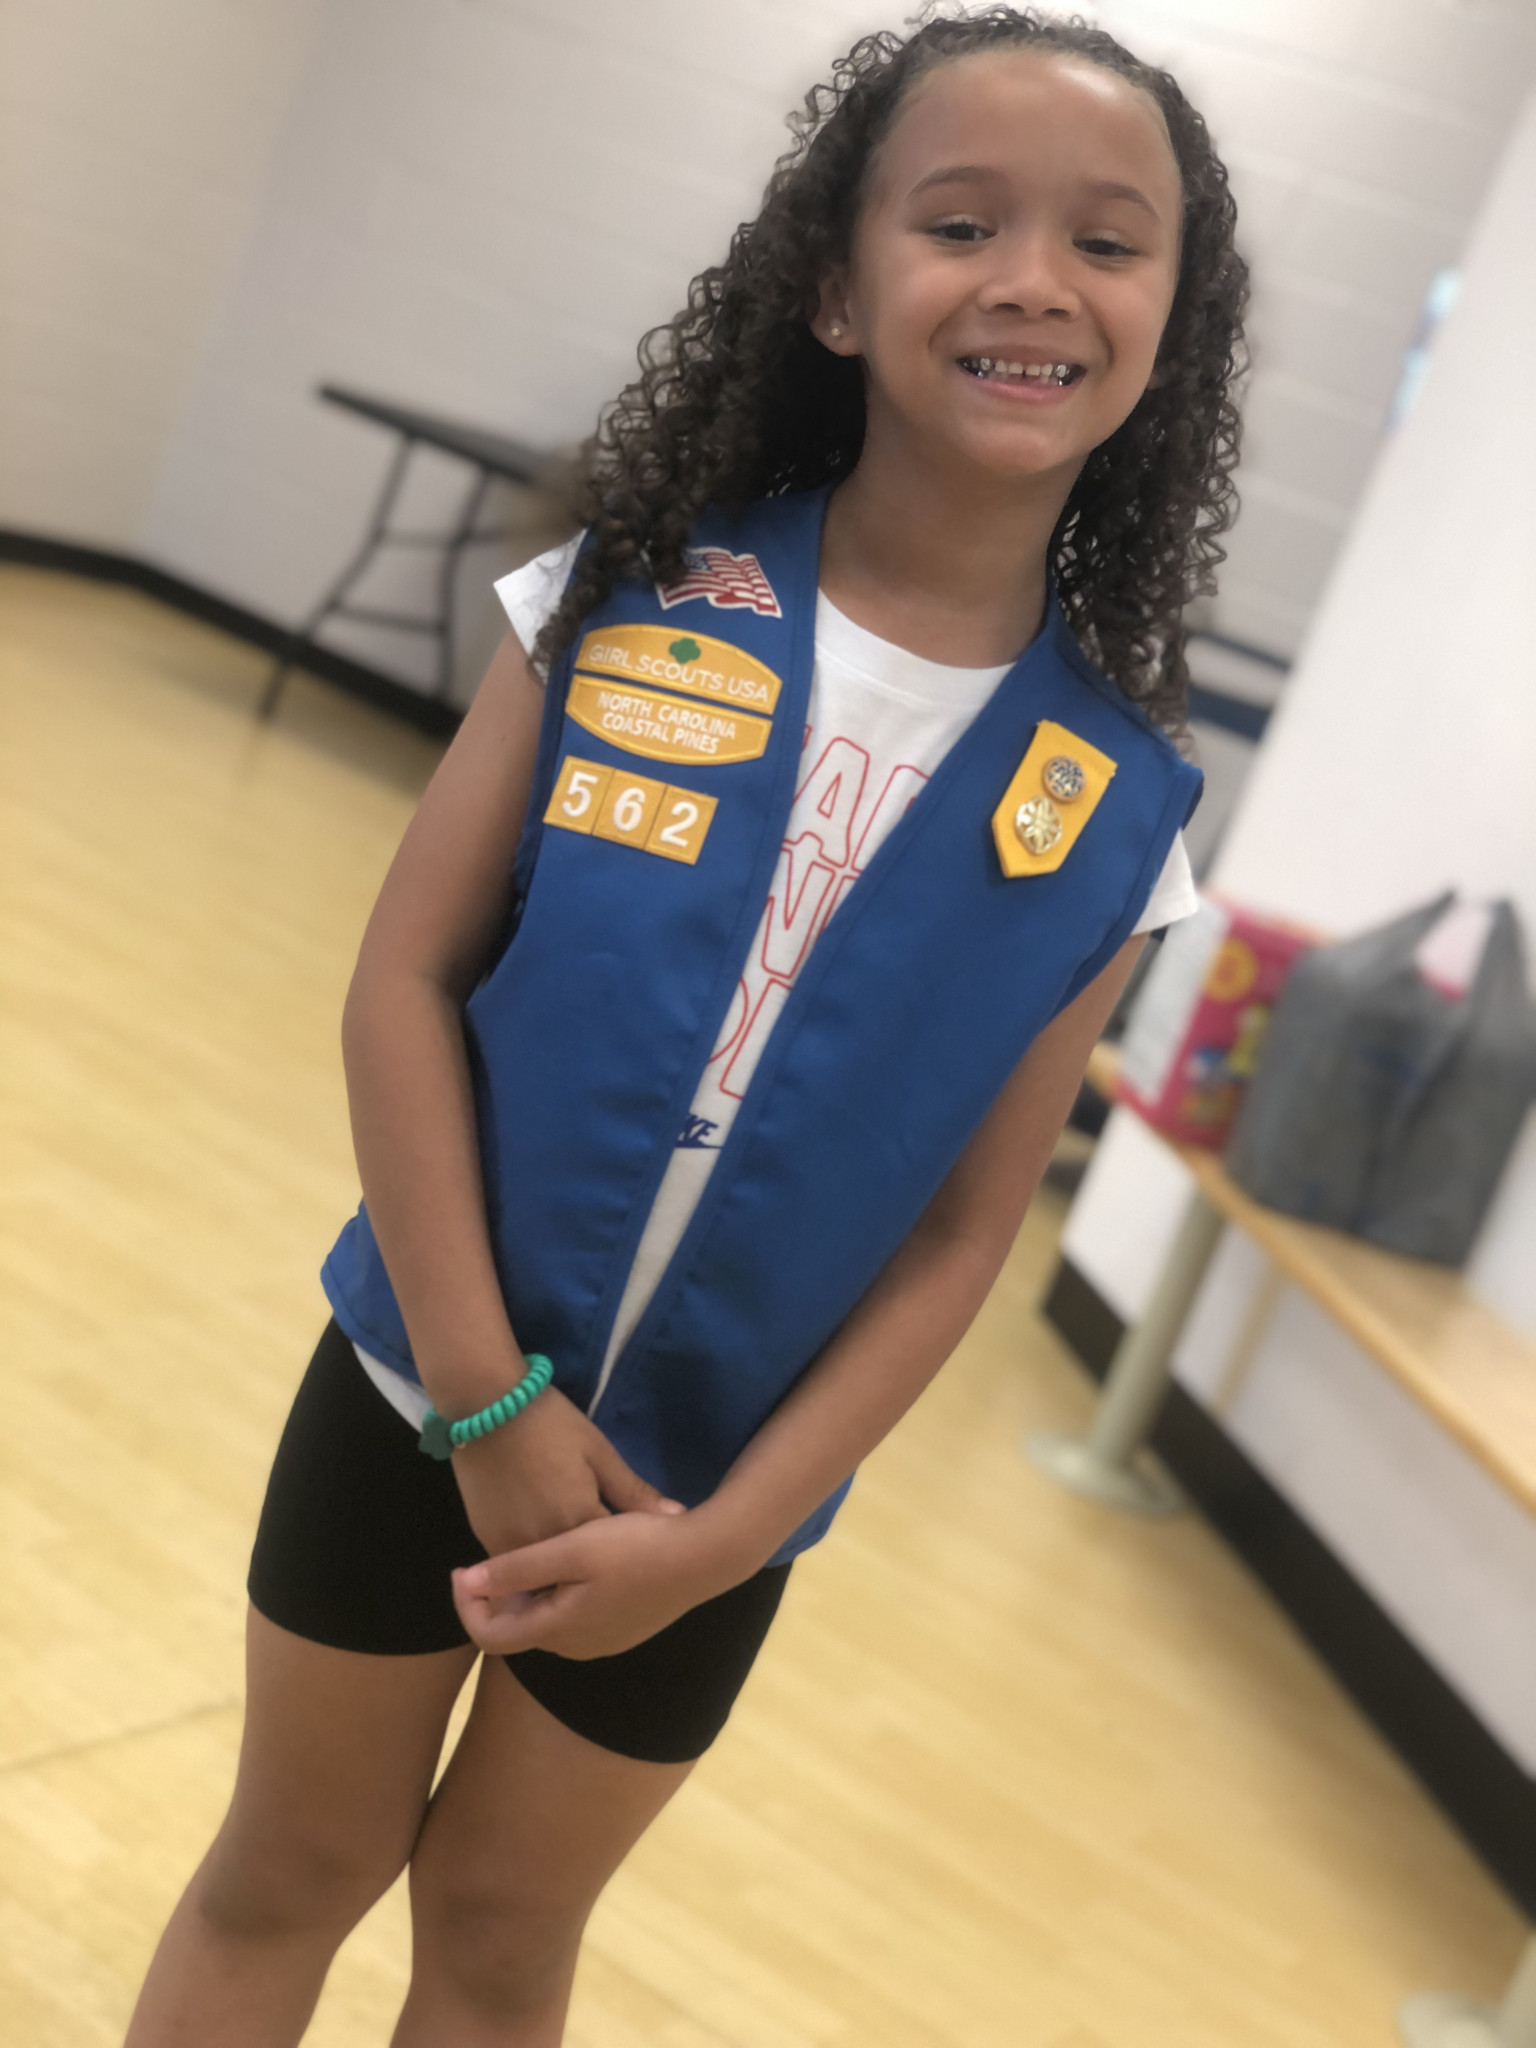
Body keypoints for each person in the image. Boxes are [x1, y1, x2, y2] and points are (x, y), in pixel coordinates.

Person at [125, 9, 1246, 2044]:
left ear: (1172, 322)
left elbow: (960, 1239)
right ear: (836, 288)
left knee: (497, 1943)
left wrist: (723, 1539)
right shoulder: (625, 603)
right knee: (288, 1868)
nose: (1032, 280)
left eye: (1108, 240)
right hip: (415, 1385)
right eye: (960, 222)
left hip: (702, 1511)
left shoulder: (1123, 809)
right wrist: (480, 1397)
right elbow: (402, 982)